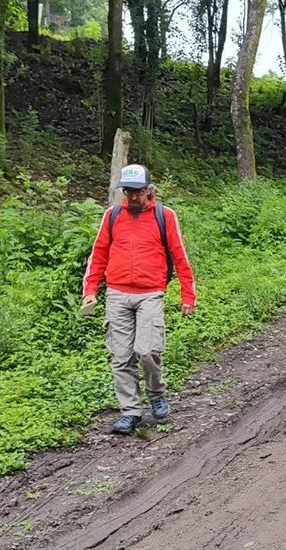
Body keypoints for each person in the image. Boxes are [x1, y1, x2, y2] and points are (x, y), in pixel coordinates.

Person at [81, 164, 196, 435]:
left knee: (147, 351)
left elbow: (180, 256)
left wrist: (187, 294)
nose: (133, 197)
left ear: (149, 190)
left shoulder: (164, 216)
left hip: (150, 292)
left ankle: (156, 393)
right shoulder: (112, 216)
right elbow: (98, 255)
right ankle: (130, 412)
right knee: (120, 357)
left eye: (138, 192)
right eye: (128, 191)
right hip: (117, 293)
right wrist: (90, 290)